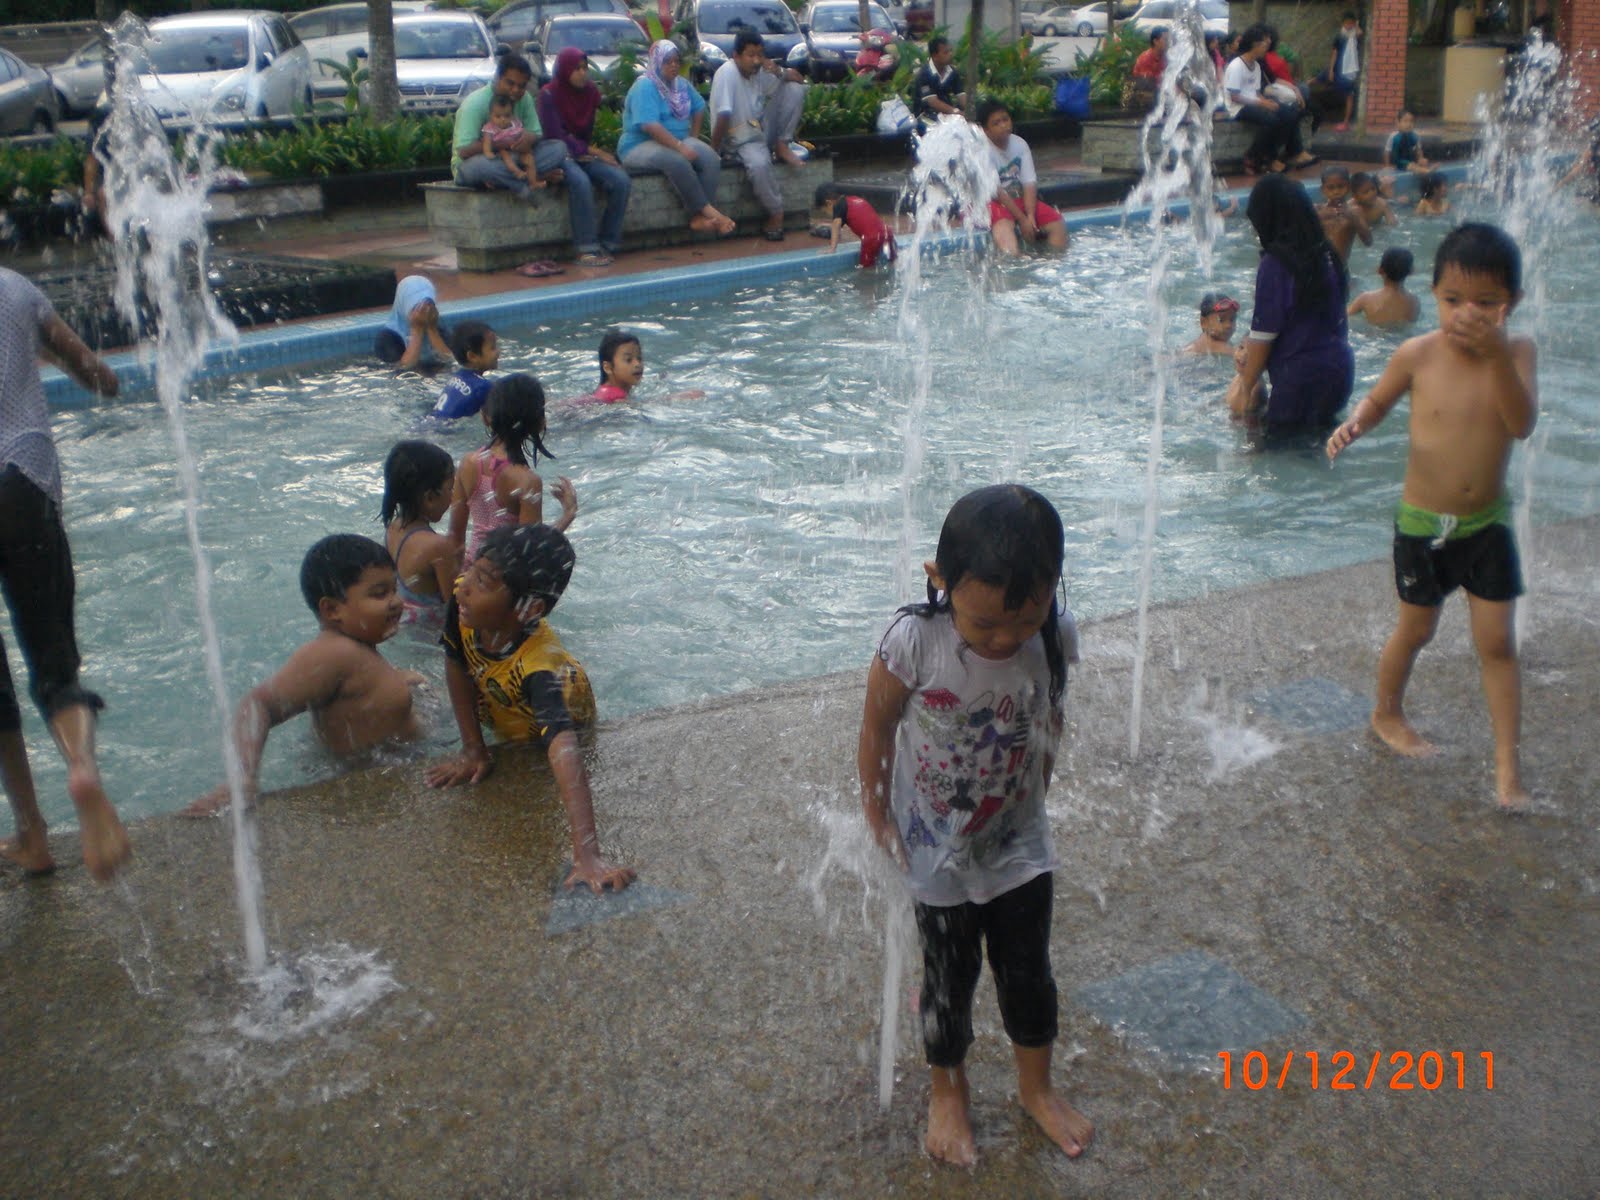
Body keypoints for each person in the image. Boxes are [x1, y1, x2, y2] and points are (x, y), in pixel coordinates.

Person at [857, 483, 1093, 1167]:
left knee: (1029, 972)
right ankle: (948, 1093)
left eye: (1024, 620)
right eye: (985, 625)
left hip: (1018, 843)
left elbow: (1050, 714)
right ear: (941, 580)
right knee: (948, 980)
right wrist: (876, 813)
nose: (1005, 639)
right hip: (934, 850)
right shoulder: (914, 641)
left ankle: (1036, 1088)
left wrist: (1040, 787)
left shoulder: (1052, 632)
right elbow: (876, 728)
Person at [1325, 224, 1536, 810]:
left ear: (1511, 303)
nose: (1468, 314)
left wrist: (1497, 356)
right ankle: (1386, 713)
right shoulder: (1417, 354)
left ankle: (1507, 766)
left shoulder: (1517, 353)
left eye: (1486, 303)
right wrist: (1355, 425)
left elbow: (1521, 424)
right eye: (1452, 300)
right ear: (1435, 294)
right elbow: (1379, 401)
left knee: (1498, 643)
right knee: (1417, 630)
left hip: (1487, 524)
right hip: (1423, 525)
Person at [0, 267, 130, 881]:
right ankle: (81, 768)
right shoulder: (15, 288)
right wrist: (101, 376)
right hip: (22, 485)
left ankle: (32, 834)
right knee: (54, 668)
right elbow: (95, 375)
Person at [427, 523, 637, 894]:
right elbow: (456, 660)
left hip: (561, 723)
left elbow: (564, 747)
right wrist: (473, 748)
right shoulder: (465, 607)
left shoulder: (540, 669)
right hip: (503, 702)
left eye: (483, 581)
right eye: (472, 569)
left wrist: (587, 855)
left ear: (530, 608)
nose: (464, 585)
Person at [182, 535, 423, 817]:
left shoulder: (357, 647)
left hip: (388, 764)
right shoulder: (334, 653)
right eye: (380, 594)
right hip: (369, 795)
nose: (396, 602)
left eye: (395, 589)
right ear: (332, 609)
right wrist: (243, 777)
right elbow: (257, 705)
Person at [1230, 174, 1354, 434]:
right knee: (1321, 444)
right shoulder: (1326, 254)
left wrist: (1245, 389)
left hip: (1299, 380)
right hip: (1340, 372)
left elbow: (1262, 338)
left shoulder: (1276, 264)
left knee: (1276, 451)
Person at [449, 374, 578, 561]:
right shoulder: (527, 481)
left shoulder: (468, 462)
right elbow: (529, 552)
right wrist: (567, 515)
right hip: (501, 576)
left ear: (485, 417)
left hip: (470, 571)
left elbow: (455, 540)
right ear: (539, 422)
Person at [619, 41, 737, 236]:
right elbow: (650, 126)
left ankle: (698, 218)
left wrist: (693, 138)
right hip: (639, 144)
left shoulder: (680, 84)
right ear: (656, 62)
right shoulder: (645, 86)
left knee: (709, 158)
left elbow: (698, 107)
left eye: (676, 61)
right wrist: (680, 146)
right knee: (676, 160)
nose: (674, 65)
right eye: (668, 61)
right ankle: (711, 212)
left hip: (678, 138)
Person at [536, 47, 634, 267]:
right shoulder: (548, 95)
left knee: (620, 179)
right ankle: (586, 249)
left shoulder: (589, 93)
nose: (582, 73)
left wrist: (586, 153)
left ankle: (608, 243)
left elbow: (583, 134)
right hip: (558, 155)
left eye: (584, 68)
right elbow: (555, 136)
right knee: (580, 181)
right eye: (576, 69)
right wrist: (594, 152)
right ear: (564, 70)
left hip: (582, 153)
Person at [709, 30, 809, 242]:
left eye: (760, 55)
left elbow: (799, 79)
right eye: (751, 55)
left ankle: (782, 144)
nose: (756, 61)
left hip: (759, 132)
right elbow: (723, 115)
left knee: (794, 89)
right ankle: (776, 213)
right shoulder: (727, 73)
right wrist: (714, 151)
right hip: (738, 140)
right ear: (736, 55)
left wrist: (778, 70)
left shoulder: (760, 71)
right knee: (759, 164)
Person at [453, 55, 567, 205]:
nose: (515, 90)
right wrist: (502, 144)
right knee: (482, 167)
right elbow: (464, 152)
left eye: (521, 86)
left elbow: (536, 133)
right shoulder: (475, 104)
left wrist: (529, 138)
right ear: (497, 77)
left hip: (516, 159)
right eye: (510, 83)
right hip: (479, 163)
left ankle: (506, 179)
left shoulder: (525, 99)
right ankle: (529, 183)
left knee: (558, 148)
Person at [382, 441, 462, 632]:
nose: (453, 496)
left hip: (404, 626)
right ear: (430, 498)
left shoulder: (393, 528)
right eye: (450, 488)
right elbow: (456, 609)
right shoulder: (438, 547)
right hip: (432, 635)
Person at [978, 99, 1068, 256]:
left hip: (1016, 198)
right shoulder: (981, 151)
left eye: (1005, 119)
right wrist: (1022, 219)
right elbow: (997, 192)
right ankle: (1014, 262)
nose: (1003, 125)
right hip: (989, 202)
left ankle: (1054, 259)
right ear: (985, 130)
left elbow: (1029, 183)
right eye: (996, 123)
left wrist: (1030, 215)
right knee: (1004, 225)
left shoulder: (1020, 144)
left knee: (1056, 222)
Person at [1224, 27, 1314, 175]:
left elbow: (1256, 93)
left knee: (1290, 114)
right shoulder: (1236, 66)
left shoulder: (1256, 65)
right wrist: (1263, 103)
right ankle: (1258, 156)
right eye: (1264, 44)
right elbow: (1234, 97)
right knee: (1271, 120)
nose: (1266, 47)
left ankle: (1269, 156)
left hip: (1254, 102)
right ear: (1255, 45)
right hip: (1238, 107)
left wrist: (1267, 102)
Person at [376, 275, 450, 370]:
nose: (424, 312)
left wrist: (432, 330)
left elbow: (451, 363)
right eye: (416, 308)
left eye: (429, 305)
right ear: (404, 305)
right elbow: (402, 370)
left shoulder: (438, 328)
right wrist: (416, 331)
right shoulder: (387, 338)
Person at [431, 320, 499, 421]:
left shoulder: (458, 375)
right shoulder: (482, 387)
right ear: (472, 356)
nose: (498, 351)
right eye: (493, 348)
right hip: (446, 429)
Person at [1348, 247, 1421, 327]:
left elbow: (1345, 316)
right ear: (1411, 272)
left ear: (1380, 270)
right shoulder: (1414, 302)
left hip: (1371, 333)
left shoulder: (1365, 298)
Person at [1316, 165, 1373, 262]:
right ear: (1323, 189)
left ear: (1349, 187)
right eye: (1330, 188)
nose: (1336, 191)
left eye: (1340, 186)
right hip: (1320, 266)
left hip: (1340, 266)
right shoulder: (1318, 211)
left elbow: (1368, 242)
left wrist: (1354, 219)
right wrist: (1318, 218)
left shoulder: (1355, 211)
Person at [481, 92, 539, 187]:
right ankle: (517, 172)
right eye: (498, 116)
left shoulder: (515, 123)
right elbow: (486, 142)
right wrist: (488, 152)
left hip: (516, 148)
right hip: (502, 150)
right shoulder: (490, 128)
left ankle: (533, 182)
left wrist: (525, 144)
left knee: (530, 159)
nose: (503, 119)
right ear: (491, 115)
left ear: (512, 114)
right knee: (506, 156)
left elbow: (521, 133)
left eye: (507, 116)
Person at [910, 35, 965, 133]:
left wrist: (970, 111)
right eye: (946, 52)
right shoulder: (924, 74)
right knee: (942, 133)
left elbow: (961, 95)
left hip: (947, 115)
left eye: (951, 51)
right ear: (935, 56)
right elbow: (932, 102)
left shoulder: (952, 72)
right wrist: (956, 112)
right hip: (925, 116)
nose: (950, 54)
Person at [826, 194, 897, 267]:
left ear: (829, 203)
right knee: (893, 264)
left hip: (871, 238)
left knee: (865, 269)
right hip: (888, 233)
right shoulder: (856, 199)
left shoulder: (838, 205)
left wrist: (832, 248)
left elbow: (836, 225)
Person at [1319, 11, 1362, 131]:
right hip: (1338, 67)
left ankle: (1346, 122)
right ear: (1343, 23)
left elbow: (1360, 33)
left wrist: (1356, 25)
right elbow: (1334, 53)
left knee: (1349, 95)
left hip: (1349, 70)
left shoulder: (1354, 35)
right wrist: (1331, 69)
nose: (1348, 25)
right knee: (1319, 78)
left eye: (1351, 23)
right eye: (1346, 23)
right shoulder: (1339, 37)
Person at [1129, 27, 1168, 112]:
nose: (1169, 42)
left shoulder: (1165, 57)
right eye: (1165, 39)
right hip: (1147, 97)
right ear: (1156, 41)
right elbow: (1149, 83)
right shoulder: (1145, 58)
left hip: (1159, 94)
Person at [1384, 109, 1430, 175]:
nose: (1409, 124)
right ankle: (1427, 171)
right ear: (1398, 123)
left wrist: (1421, 159)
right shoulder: (1393, 136)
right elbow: (1387, 152)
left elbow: (1418, 150)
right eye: (1405, 121)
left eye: (1411, 121)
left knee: (1424, 161)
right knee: (1411, 165)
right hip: (1399, 163)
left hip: (1411, 161)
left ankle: (1424, 172)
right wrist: (1387, 166)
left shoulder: (1415, 136)